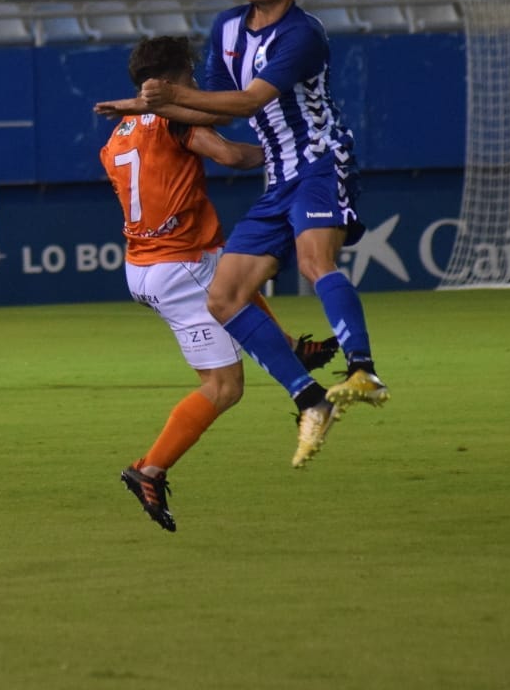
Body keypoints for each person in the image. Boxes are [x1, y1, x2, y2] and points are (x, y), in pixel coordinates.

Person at [99, 0, 390, 473]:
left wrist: (165, 98)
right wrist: (147, 106)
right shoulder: (227, 26)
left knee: (312, 261)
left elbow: (251, 98)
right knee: (225, 297)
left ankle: (363, 370)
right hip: (278, 176)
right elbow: (216, 112)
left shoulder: (303, 34)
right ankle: (311, 399)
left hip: (319, 161)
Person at [102, 36, 338, 532]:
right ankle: (149, 469)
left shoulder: (116, 137)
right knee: (224, 386)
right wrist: (290, 159)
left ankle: (292, 348)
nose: (197, 84)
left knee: (234, 272)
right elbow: (230, 155)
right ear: (167, 82)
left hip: (149, 263)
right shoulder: (173, 119)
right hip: (177, 265)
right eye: (189, 75)